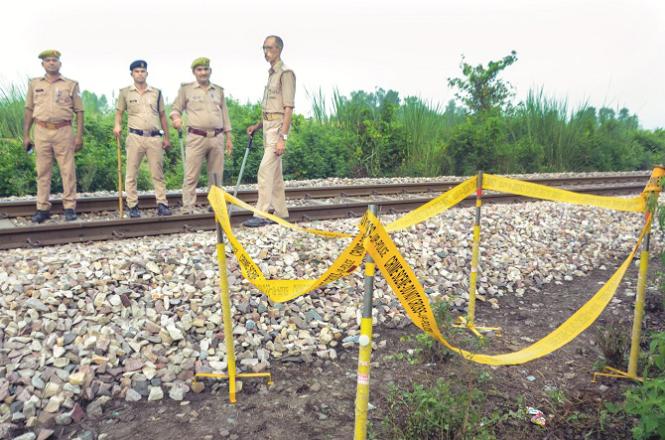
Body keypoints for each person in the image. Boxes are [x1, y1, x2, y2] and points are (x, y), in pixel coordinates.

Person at [23, 50, 84, 223]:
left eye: (54, 60)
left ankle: (69, 207)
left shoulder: (70, 84)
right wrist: (26, 135)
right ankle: (42, 208)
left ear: (60, 64)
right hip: (41, 130)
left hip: (63, 131)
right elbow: (28, 109)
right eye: (47, 60)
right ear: (43, 64)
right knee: (42, 171)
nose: (51, 63)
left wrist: (79, 136)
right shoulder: (34, 84)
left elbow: (79, 111)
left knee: (68, 170)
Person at [243, 35, 295, 227]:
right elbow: (270, 107)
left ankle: (261, 214)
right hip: (267, 128)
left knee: (264, 171)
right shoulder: (271, 74)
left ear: (279, 49)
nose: (266, 52)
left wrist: (283, 137)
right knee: (275, 177)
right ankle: (281, 214)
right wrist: (257, 125)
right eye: (264, 48)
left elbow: (288, 108)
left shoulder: (286, 73)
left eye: (269, 48)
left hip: (277, 130)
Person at [170, 57, 233, 211]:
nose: (203, 72)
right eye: (199, 70)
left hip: (217, 137)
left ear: (210, 71)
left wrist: (229, 138)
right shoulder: (186, 89)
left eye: (205, 69)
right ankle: (188, 206)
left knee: (216, 175)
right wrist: (176, 119)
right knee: (191, 175)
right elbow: (175, 109)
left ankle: (215, 205)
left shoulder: (218, 90)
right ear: (194, 72)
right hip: (196, 137)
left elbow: (225, 115)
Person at [114, 60, 171, 218]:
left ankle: (162, 203)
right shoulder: (125, 92)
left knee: (157, 173)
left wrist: (167, 137)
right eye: (137, 71)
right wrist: (117, 125)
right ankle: (132, 205)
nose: (140, 74)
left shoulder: (156, 92)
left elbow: (162, 115)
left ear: (147, 73)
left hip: (154, 138)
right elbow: (119, 112)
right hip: (135, 137)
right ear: (132, 74)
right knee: (131, 173)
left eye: (142, 71)